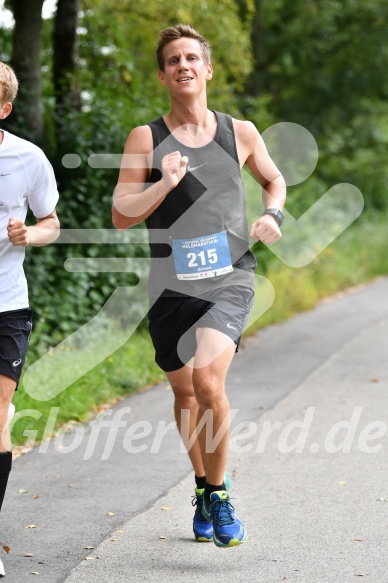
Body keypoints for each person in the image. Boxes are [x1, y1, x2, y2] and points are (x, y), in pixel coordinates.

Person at [112, 24, 286, 548]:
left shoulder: (241, 132)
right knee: (185, 392)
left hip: (229, 279)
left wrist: (272, 213)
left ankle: (220, 493)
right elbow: (121, 214)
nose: (183, 65)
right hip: (169, 286)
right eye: (173, 60)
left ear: (207, 70)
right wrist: (162, 182)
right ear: (164, 75)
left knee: (209, 383)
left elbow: (273, 180)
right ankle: (203, 484)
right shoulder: (147, 138)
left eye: (192, 57)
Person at [0, 62, 60, 575]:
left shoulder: (28, 158)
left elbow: (52, 223)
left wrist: (30, 236)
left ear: (4, 108)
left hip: (6, 305)